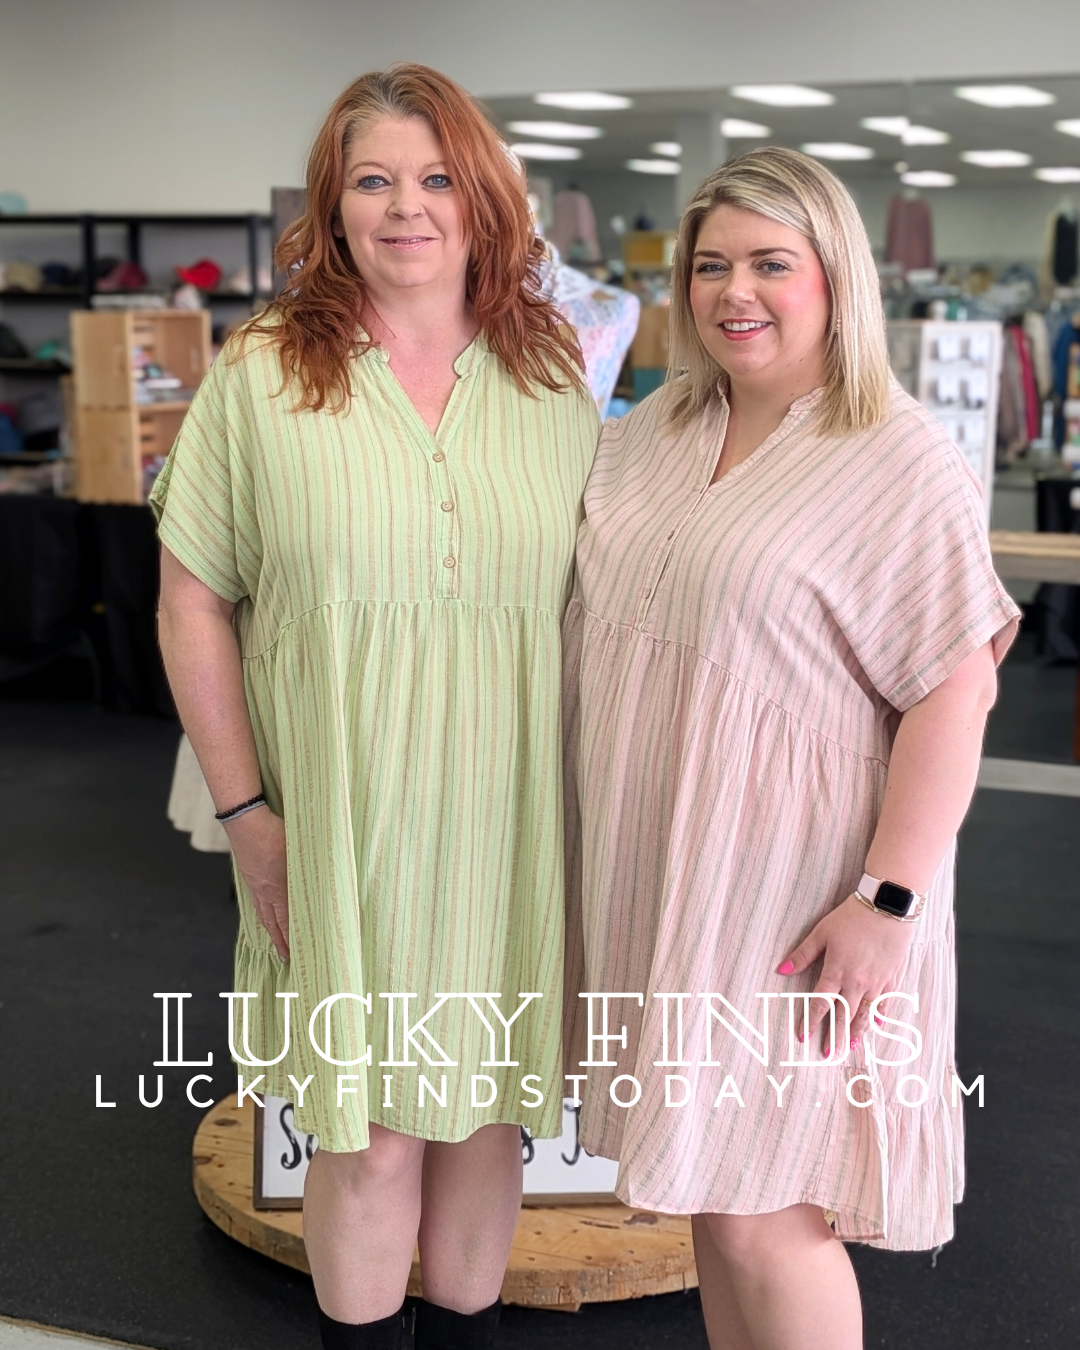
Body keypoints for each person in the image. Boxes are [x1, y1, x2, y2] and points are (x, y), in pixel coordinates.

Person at [152, 63, 598, 1350]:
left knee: (487, 1116)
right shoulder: (262, 372)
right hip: (341, 821)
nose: (409, 207)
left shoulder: (552, 374)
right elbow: (192, 603)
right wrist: (248, 816)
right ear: (332, 205)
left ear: (483, 196)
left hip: (511, 822)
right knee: (373, 1134)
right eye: (374, 180)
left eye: (438, 177)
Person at [562, 146, 1020, 1350]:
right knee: (720, 1200)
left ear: (835, 277)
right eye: (710, 265)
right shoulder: (657, 427)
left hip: (794, 892)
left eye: (771, 263)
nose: (735, 292)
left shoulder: (894, 453)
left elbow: (955, 690)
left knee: (770, 1211)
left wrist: (888, 900)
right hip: (668, 866)